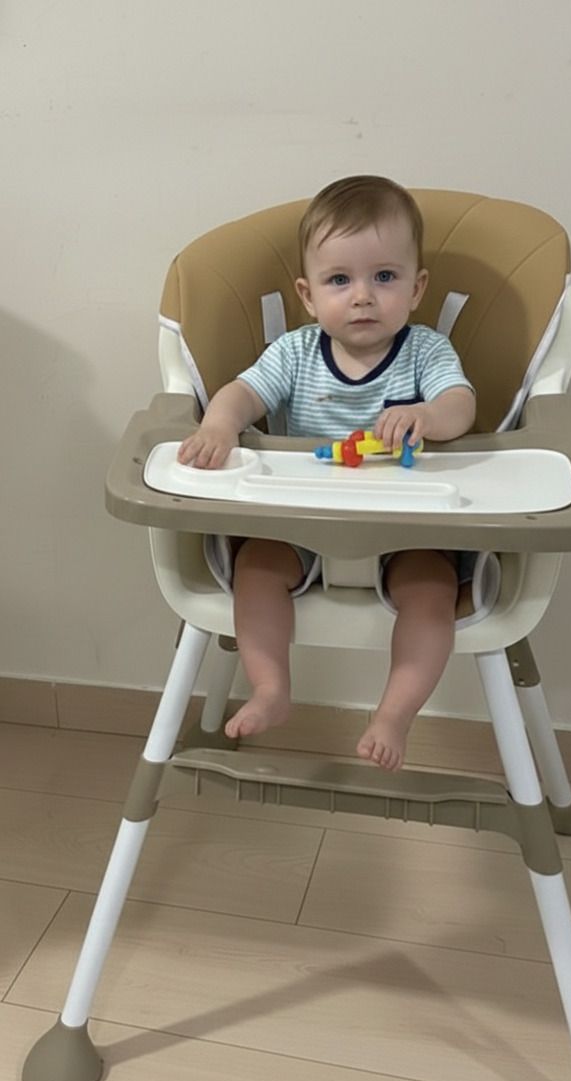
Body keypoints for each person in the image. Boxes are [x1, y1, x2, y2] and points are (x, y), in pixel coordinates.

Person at [178, 175, 476, 770]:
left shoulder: (425, 353)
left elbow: (461, 406)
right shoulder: (294, 352)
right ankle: (270, 687)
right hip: (303, 523)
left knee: (434, 594)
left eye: (384, 277)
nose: (362, 296)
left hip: (405, 529)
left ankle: (394, 712)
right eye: (340, 280)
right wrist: (218, 424)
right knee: (255, 568)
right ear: (308, 294)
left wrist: (425, 415)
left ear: (417, 288)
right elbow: (243, 393)